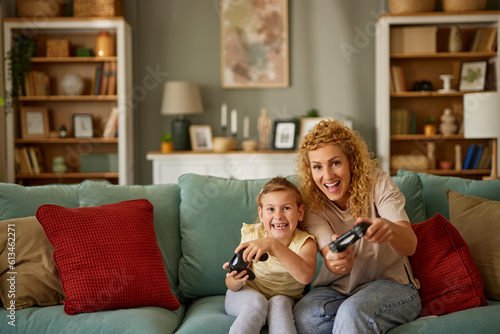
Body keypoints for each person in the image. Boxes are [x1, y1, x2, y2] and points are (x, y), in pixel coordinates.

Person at [293, 120, 421, 334]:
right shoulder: (311, 201)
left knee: (353, 313)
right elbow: (328, 252)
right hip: (338, 290)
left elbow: (410, 245)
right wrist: (336, 262)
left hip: (392, 285)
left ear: (351, 161)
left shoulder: (379, 183)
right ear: (310, 170)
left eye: (335, 163)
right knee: (304, 316)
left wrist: (390, 230)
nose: (327, 175)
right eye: (317, 167)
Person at [223, 176, 317, 334]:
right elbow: (230, 285)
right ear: (261, 214)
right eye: (271, 209)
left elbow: (306, 276)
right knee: (258, 302)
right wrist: (234, 279)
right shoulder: (253, 235)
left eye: (286, 208)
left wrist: (273, 244)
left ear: (300, 212)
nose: (278, 215)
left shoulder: (305, 243)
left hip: (284, 299)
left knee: (280, 303)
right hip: (245, 295)